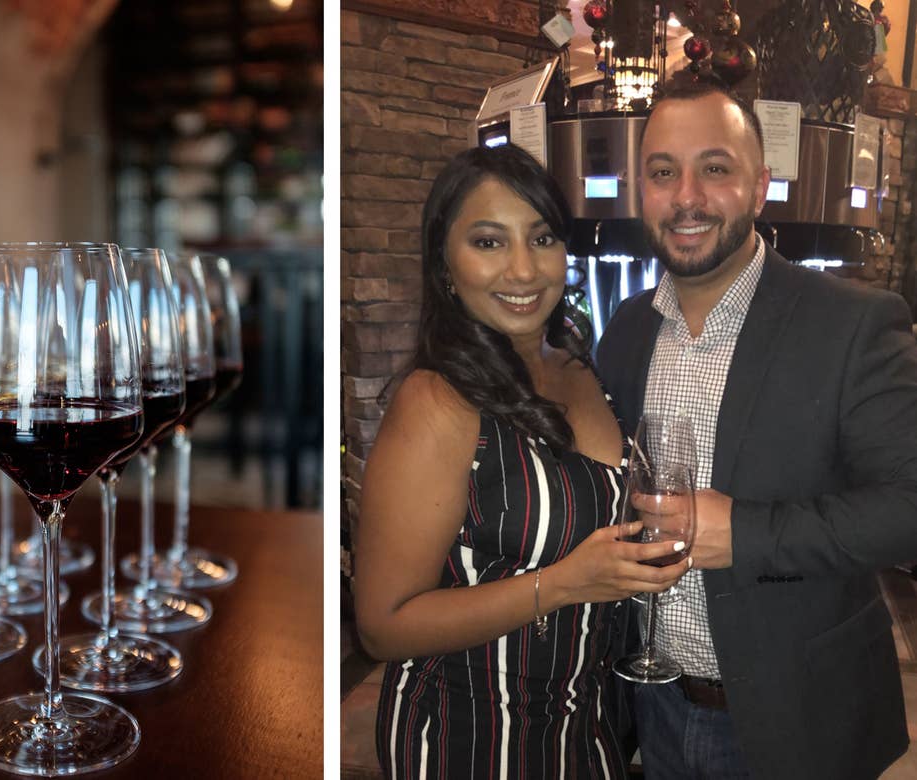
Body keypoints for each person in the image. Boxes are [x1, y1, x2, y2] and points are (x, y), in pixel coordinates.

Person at [597, 78, 917, 779]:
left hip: (799, 720)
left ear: (760, 186)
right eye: (662, 172)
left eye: (715, 168)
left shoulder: (853, 325)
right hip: (652, 702)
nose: (686, 197)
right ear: (638, 190)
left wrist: (742, 533)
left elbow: (907, 508)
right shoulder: (623, 333)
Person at [355, 144, 690, 778]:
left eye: (541, 238)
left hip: (587, 727)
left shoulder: (577, 365)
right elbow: (383, 626)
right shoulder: (437, 401)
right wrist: (564, 583)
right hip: (472, 737)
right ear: (445, 265)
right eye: (488, 242)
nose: (522, 270)